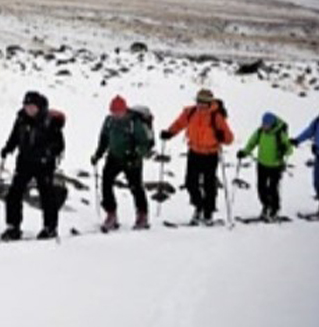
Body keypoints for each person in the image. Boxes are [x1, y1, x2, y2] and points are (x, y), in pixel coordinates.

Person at [161, 89, 234, 225]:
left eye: (204, 102)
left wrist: (221, 136)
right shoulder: (190, 112)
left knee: (209, 185)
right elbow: (179, 124)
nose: (201, 105)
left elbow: (229, 138)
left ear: (209, 103)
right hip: (194, 152)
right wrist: (169, 133)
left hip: (210, 154)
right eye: (199, 101)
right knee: (190, 183)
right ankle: (198, 206)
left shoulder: (216, 116)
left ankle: (208, 212)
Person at [0, 91, 66, 240]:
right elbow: (15, 136)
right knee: (14, 193)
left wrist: (47, 154)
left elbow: (59, 144)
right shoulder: (21, 119)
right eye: (26, 105)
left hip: (44, 164)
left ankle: (50, 228)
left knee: (47, 195)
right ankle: (13, 227)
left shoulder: (49, 121)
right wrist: (7, 149)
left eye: (31, 106)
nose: (29, 109)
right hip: (24, 161)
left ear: (38, 106)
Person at [90, 96, 154, 231]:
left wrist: (136, 154)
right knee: (106, 183)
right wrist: (98, 154)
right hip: (114, 157)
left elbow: (144, 143)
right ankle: (111, 214)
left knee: (136, 186)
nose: (116, 114)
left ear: (124, 110)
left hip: (132, 159)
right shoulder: (109, 121)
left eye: (118, 111)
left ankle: (142, 215)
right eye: (113, 111)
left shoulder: (134, 122)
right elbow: (104, 139)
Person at [238, 112, 293, 221]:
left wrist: (285, 150)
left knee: (273, 188)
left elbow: (289, 149)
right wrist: (244, 152)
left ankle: (274, 209)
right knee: (261, 188)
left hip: (275, 166)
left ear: (272, 124)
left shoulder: (279, 134)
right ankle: (266, 206)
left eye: (267, 124)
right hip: (261, 164)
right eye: (263, 124)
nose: (264, 126)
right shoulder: (260, 132)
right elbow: (251, 143)